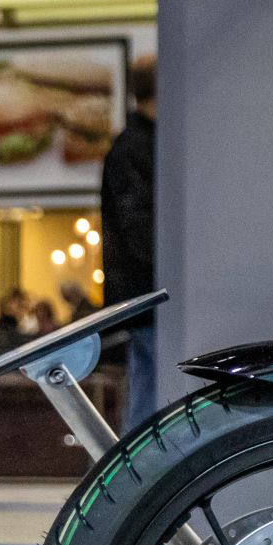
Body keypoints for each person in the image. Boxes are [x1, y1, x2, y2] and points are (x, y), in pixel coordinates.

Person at [100, 54, 158, 428]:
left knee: (149, 387)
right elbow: (139, 227)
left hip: (142, 295)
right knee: (151, 394)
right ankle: (139, 462)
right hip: (149, 293)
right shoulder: (137, 147)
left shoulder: (131, 144)